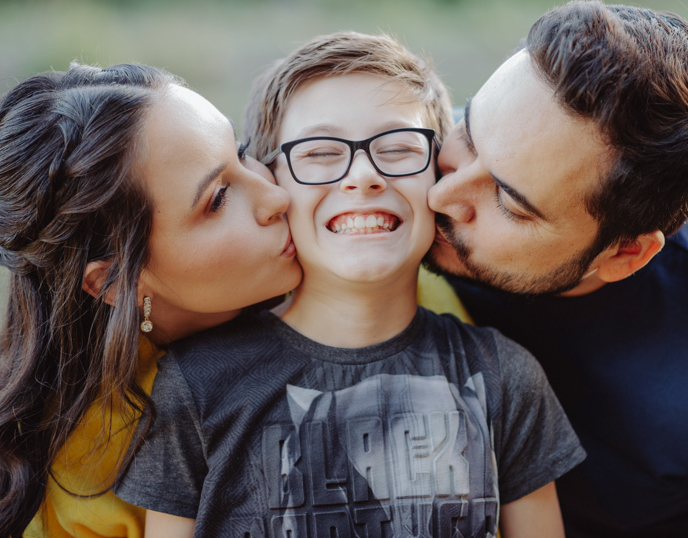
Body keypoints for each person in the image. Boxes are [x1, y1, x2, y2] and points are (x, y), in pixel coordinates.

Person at [114, 31, 586, 538]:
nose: (363, 176)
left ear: (440, 175)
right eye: (319, 153)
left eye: (399, 147)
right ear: (274, 181)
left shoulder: (504, 375)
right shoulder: (195, 383)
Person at [422, 0, 688, 537]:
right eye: (468, 133)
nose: (439, 195)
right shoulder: (392, 165)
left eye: (511, 203)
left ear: (625, 254)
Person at [0, 62, 302, 538]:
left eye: (243, 153)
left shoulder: (348, 266)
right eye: (218, 198)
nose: (276, 195)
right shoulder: (93, 476)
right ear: (112, 283)